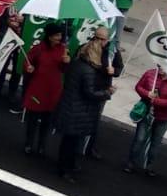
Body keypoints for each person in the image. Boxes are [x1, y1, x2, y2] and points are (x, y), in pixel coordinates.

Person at [55, 29, 114, 182]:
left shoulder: (76, 64)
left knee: (68, 141)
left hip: (70, 106)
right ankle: (65, 169)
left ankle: (66, 166)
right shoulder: (88, 71)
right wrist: (107, 93)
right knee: (71, 143)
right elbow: (89, 92)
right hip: (79, 110)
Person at [126, 63, 167, 177]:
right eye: (159, 65)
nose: (161, 68)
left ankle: (149, 166)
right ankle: (131, 163)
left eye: (164, 66)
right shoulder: (150, 74)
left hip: (163, 117)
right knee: (140, 138)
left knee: (155, 142)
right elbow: (138, 87)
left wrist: (159, 102)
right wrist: (147, 93)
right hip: (147, 113)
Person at [21, 22, 69, 157]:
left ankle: (42, 145)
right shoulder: (38, 48)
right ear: (49, 36)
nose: (59, 38)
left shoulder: (63, 50)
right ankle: (29, 143)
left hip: (53, 90)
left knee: (47, 121)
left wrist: (66, 63)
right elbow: (27, 61)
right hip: (38, 88)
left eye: (60, 35)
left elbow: (64, 70)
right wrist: (28, 68)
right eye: (56, 35)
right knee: (33, 119)